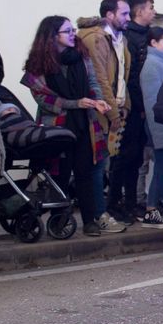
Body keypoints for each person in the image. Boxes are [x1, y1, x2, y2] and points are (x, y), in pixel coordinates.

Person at [20, 16, 113, 236]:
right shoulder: (39, 64)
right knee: (59, 173)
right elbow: (44, 100)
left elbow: (92, 84)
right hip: (57, 126)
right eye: (67, 31)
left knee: (86, 172)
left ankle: (89, 220)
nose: (73, 34)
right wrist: (76, 103)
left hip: (84, 123)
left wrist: (98, 100)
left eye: (72, 30)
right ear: (52, 36)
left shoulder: (81, 56)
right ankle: (58, 219)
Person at [76, 0, 130, 233]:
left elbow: (121, 77)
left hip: (113, 108)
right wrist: (114, 112)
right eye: (124, 14)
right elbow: (100, 79)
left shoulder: (120, 39)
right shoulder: (96, 39)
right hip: (100, 111)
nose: (128, 18)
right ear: (110, 14)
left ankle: (102, 211)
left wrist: (124, 102)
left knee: (105, 164)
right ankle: (98, 214)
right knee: (97, 166)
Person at [107, 0, 155, 222]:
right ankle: (115, 203)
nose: (154, 12)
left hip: (142, 107)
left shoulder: (146, 36)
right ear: (139, 11)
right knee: (123, 157)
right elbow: (132, 76)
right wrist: (140, 104)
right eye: (150, 8)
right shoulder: (130, 37)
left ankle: (131, 202)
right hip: (131, 107)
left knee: (136, 158)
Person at [139, 26, 163, 229]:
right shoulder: (153, 65)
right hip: (160, 125)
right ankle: (154, 208)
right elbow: (152, 102)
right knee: (162, 167)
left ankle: (152, 208)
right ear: (154, 43)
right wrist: (160, 132)